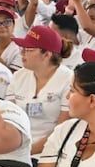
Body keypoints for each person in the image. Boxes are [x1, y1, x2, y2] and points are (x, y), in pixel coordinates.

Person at [6, 25, 73, 155]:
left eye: (28, 50)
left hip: (51, 152)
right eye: (22, 49)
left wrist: (27, 152)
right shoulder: (18, 76)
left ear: (47, 54)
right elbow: (10, 120)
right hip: (17, 147)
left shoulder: (68, 80)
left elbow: (61, 130)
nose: (22, 53)